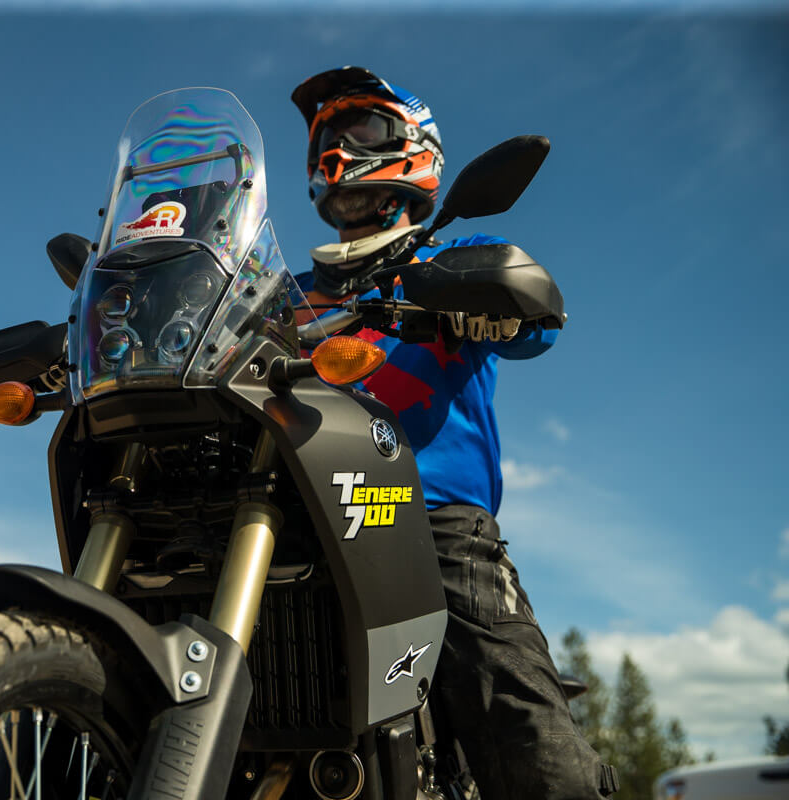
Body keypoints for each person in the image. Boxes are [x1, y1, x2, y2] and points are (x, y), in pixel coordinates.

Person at [290, 66, 618, 799]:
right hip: (297, 514)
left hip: (419, 518)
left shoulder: (441, 262)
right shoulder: (284, 294)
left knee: (536, 751)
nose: (339, 150)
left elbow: (535, 324)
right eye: (326, 136)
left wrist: (498, 306)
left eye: (361, 129)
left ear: (414, 144)